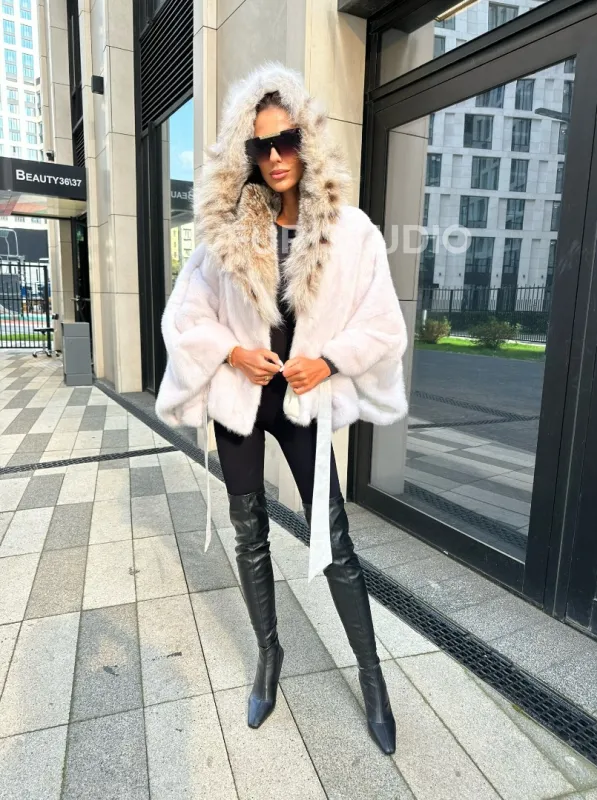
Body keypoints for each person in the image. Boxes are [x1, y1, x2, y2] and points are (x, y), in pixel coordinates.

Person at [156, 63, 408, 755]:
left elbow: (384, 326)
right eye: (260, 145)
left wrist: (328, 361)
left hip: (303, 402)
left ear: (307, 140)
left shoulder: (352, 233)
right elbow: (184, 318)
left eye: (286, 140)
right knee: (250, 533)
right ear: (247, 153)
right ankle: (270, 658)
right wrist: (232, 352)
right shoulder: (229, 233)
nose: (274, 156)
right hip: (242, 402)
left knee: (336, 542)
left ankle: (373, 680)